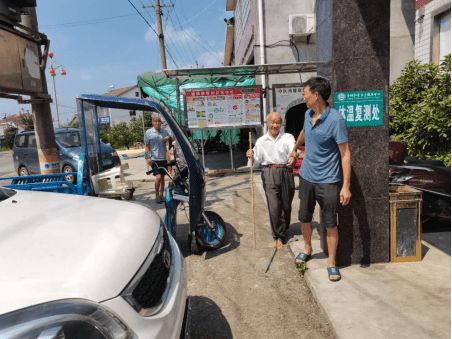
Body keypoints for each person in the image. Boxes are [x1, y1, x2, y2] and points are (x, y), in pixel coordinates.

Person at [289, 77, 351, 282]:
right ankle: (307, 248)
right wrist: (295, 148)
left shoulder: (336, 119)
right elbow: (304, 132)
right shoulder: (308, 114)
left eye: (305, 92)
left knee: (330, 222)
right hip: (306, 176)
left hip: (328, 180)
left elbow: (345, 154)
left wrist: (346, 186)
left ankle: (331, 262)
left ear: (316, 95)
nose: (303, 95)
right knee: (304, 217)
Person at [246, 112, 297, 250]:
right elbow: (256, 161)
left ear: (281, 124)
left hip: (286, 171)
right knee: (274, 206)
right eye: (272, 122)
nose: (275, 125)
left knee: (286, 206)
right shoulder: (261, 141)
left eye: (278, 122)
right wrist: (251, 155)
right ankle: (278, 236)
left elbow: (293, 151)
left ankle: (284, 227)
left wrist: (293, 157)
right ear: (267, 123)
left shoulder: (288, 137)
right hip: (268, 172)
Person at [144, 115, 172, 204]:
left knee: (163, 178)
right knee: (158, 177)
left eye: (159, 121)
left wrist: (169, 138)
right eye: (155, 121)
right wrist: (148, 158)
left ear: (161, 122)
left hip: (163, 158)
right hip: (154, 159)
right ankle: (156, 195)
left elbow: (170, 143)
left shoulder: (165, 131)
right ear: (152, 122)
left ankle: (161, 195)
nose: (157, 123)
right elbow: (147, 146)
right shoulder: (148, 132)